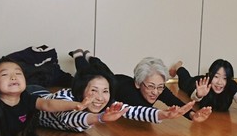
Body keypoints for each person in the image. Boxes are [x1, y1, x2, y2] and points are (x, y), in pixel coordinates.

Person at [32, 53, 196, 132]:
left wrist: (164, 114)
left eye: (105, 91)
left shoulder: (107, 101)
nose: (100, 97)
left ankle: (87, 56)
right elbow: (70, 118)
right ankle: (79, 56)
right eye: (94, 90)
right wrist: (98, 117)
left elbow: (134, 111)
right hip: (34, 95)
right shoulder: (64, 98)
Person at [0, 57, 90, 136]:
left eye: (18, 73)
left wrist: (76, 105)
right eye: (5, 74)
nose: (13, 77)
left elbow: (47, 104)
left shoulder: (26, 98)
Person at [69, 51, 212, 123]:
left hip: (122, 80)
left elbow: (176, 102)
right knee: (93, 72)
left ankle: (90, 56)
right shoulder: (128, 93)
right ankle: (79, 55)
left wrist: (193, 115)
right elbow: (142, 111)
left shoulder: (158, 89)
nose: (155, 92)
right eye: (151, 86)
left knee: (103, 67)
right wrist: (165, 114)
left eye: (160, 87)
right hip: (116, 82)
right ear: (138, 83)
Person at [168, 59, 237, 112]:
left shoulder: (230, 85)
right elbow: (194, 97)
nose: (219, 82)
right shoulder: (203, 84)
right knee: (185, 81)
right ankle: (178, 66)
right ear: (211, 75)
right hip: (195, 84)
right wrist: (198, 95)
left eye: (224, 78)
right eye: (216, 76)